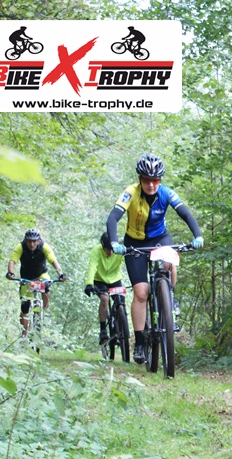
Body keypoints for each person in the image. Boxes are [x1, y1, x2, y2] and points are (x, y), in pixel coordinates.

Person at [106, 154, 204, 364]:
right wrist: (115, 243)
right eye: (146, 180)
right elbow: (113, 217)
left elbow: (185, 213)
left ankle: (170, 296)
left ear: (160, 180)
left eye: (156, 180)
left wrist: (198, 236)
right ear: (140, 179)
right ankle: (140, 342)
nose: (151, 185)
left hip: (160, 238)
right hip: (135, 242)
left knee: (171, 259)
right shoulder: (130, 192)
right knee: (141, 293)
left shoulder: (166, 193)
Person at [6, 228, 68, 335]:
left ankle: (42, 312)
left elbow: (53, 260)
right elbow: (13, 260)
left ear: (39, 240)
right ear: (26, 240)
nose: (31, 244)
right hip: (26, 278)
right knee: (25, 307)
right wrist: (10, 272)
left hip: (41, 275)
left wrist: (60, 274)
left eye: (34, 241)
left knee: (47, 287)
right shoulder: (21, 247)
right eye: (29, 241)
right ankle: (23, 335)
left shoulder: (44, 246)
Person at [84, 233, 126, 344]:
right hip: (100, 279)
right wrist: (89, 284)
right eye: (108, 250)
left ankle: (121, 323)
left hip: (115, 279)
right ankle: (103, 329)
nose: (111, 252)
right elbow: (92, 266)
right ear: (103, 247)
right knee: (104, 299)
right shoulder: (96, 251)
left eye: (113, 250)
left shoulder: (120, 250)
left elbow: (130, 262)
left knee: (121, 301)